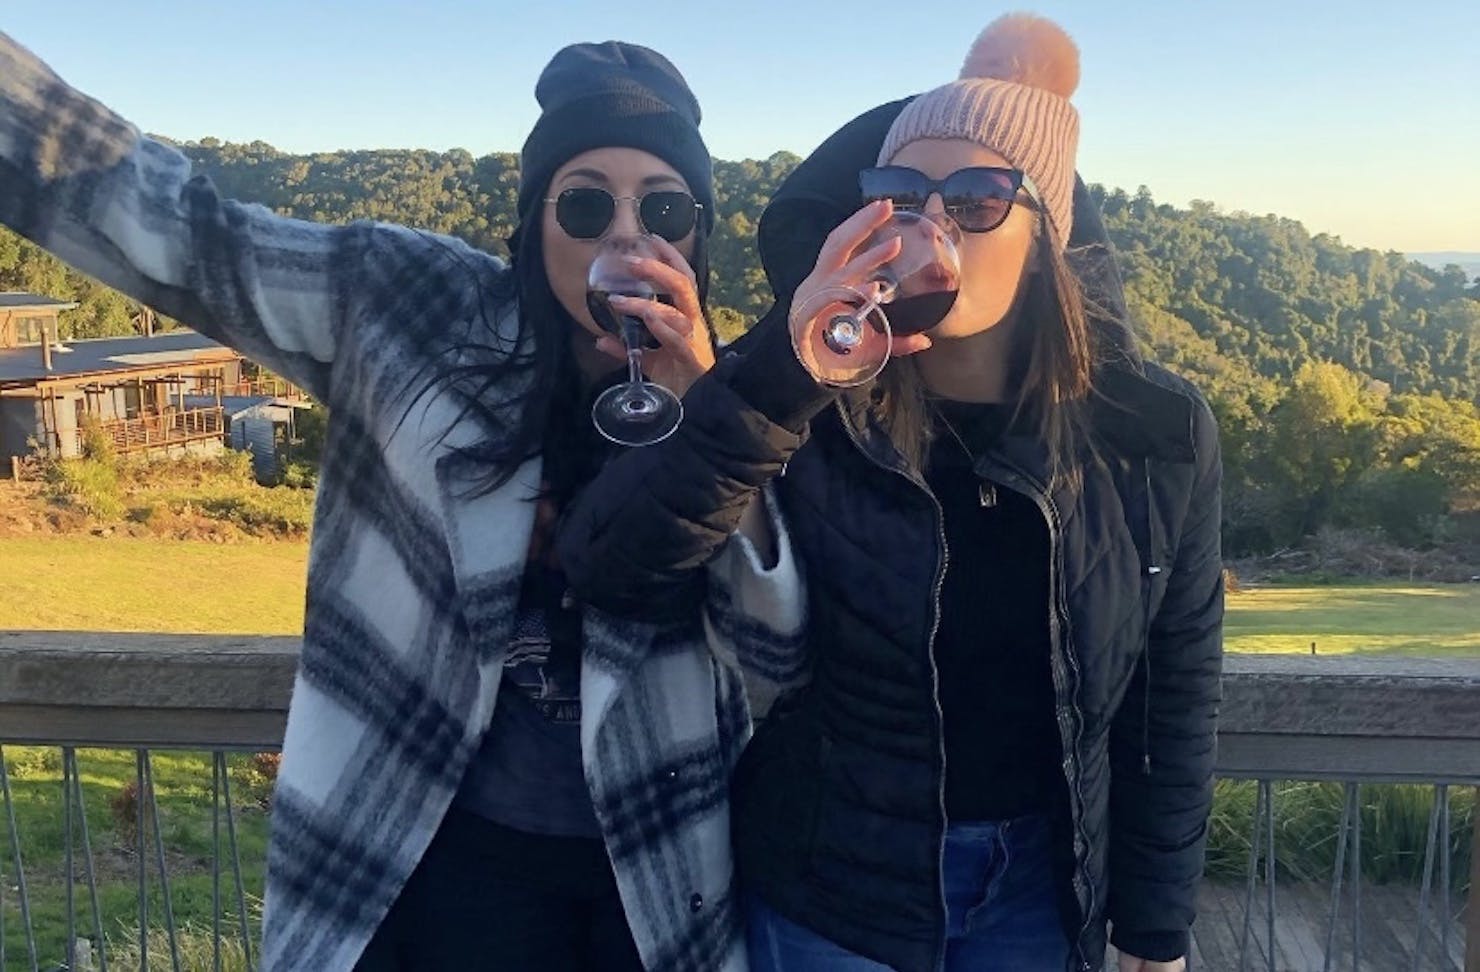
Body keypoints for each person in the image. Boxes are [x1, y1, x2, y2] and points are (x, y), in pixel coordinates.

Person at [0, 31, 789, 972]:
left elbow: (775, 657)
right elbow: (186, 235)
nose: (625, 236)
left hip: (654, 876)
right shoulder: (414, 309)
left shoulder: (731, 394)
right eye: (584, 203)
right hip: (443, 862)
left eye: (662, 206)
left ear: (696, 232)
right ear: (534, 220)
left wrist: (707, 426)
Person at [558, 13, 1223, 972]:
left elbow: (1174, 692)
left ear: (1048, 232)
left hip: (1042, 894)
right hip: (835, 898)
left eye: (981, 196)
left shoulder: (1150, 432)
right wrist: (784, 373)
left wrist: (1155, 931)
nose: (932, 223)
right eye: (901, 190)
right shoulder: (810, 394)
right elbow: (614, 569)